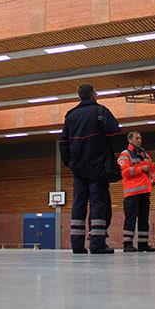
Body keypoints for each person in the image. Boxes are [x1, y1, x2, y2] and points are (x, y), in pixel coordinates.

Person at [60, 84, 123, 254]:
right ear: (94, 95)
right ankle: (97, 244)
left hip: (78, 168)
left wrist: (69, 162)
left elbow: (63, 143)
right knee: (98, 203)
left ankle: (77, 245)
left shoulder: (70, 116)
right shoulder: (101, 111)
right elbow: (115, 134)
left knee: (78, 204)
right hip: (98, 166)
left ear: (79, 96)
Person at [118, 132, 155, 252]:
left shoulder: (145, 154)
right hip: (132, 193)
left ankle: (143, 244)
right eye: (137, 138)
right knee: (131, 218)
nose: (139, 140)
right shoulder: (125, 154)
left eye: (141, 138)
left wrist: (153, 179)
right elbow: (124, 172)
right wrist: (141, 169)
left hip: (145, 192)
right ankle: (127, 244)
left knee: (144, 219)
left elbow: (152, 168)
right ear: (129, 140)